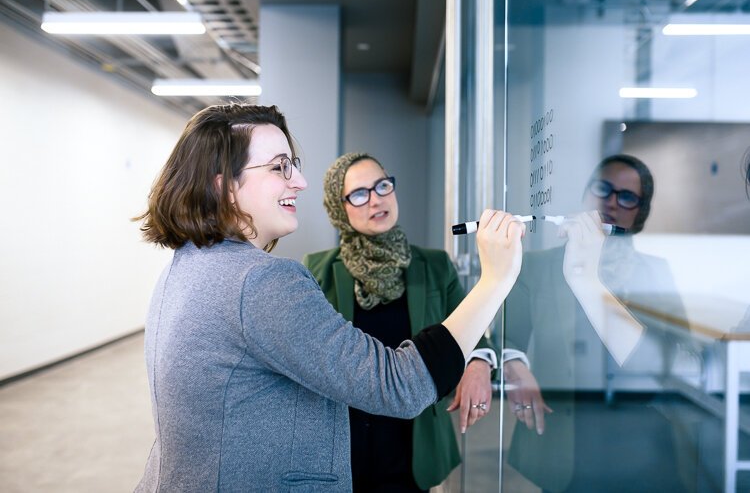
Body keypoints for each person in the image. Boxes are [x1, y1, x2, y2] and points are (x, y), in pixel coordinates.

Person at [132, 103, 524, 492]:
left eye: (293, 163)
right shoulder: (262, 282)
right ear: (223, 185)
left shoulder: (185, 267)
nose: (299, 181)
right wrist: (495, 279)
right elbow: (399, 385)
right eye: (279, 166)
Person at [303, 152, 516, 491]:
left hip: (415, 440)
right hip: (344, 440)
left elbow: (474, 333)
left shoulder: (434, 265)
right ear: (338, 208)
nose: (376, 199)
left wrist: (477, 363)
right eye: (360, 194)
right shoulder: (317, 270)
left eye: (382, 186)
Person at [504, 154, 688, 492]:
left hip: (639, 441)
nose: (611, 202)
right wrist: (515, 366)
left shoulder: (655, 272)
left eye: (627, 196)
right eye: (603, 188)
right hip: (563, 435)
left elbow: (675, 354)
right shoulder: (537, 266)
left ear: (640, 212)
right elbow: (504, 337)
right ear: (587, 192)